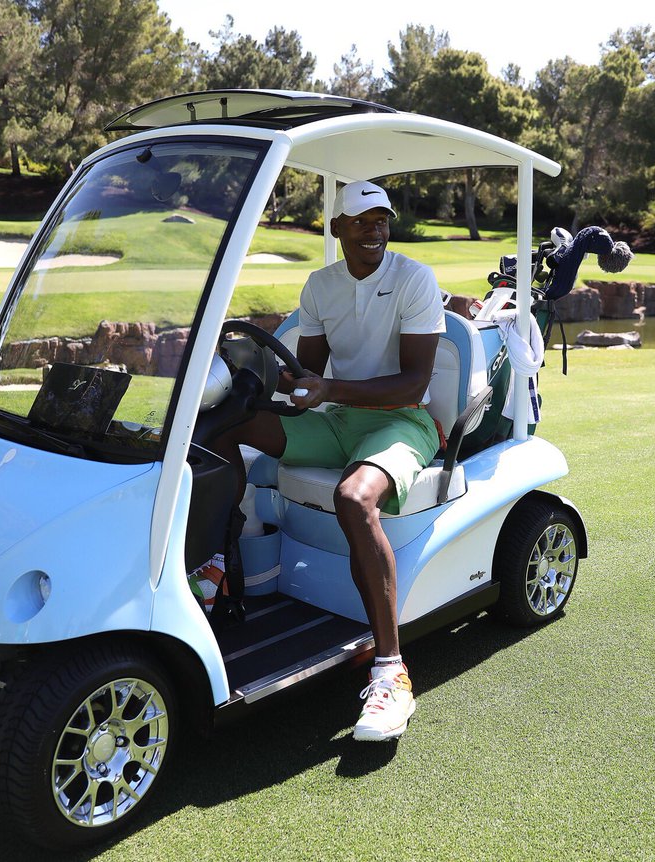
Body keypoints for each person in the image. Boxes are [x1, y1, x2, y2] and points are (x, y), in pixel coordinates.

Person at [212, 180, 445, 742]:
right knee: (222, 425)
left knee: (353, 496)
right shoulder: (320, 285)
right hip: (336, 420)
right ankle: (219, 566)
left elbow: (414, 384)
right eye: (362, 220)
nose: (375, 229)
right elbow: (304, 374)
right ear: (338, 228)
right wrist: (277, 380)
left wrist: (325, 389)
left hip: (401, 421)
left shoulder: (414, 279)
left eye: (382, 219)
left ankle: (391, 670)